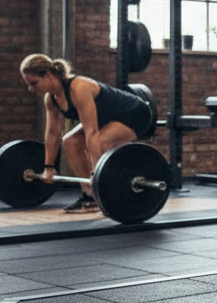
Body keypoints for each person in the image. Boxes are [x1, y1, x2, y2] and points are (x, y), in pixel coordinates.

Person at [19, 54, 153, 213]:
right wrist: (48, 167)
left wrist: (97, 172)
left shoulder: (78, 87)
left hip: (135, 113)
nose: (31, 89)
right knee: (70, 141)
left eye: (34, 83)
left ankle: (104, 190)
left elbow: (92, 132)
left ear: (48, 75)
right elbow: (52, 133)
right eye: (29, 85)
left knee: (101, 142)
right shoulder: (51, 99)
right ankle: (90, 197)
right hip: (108, 118)